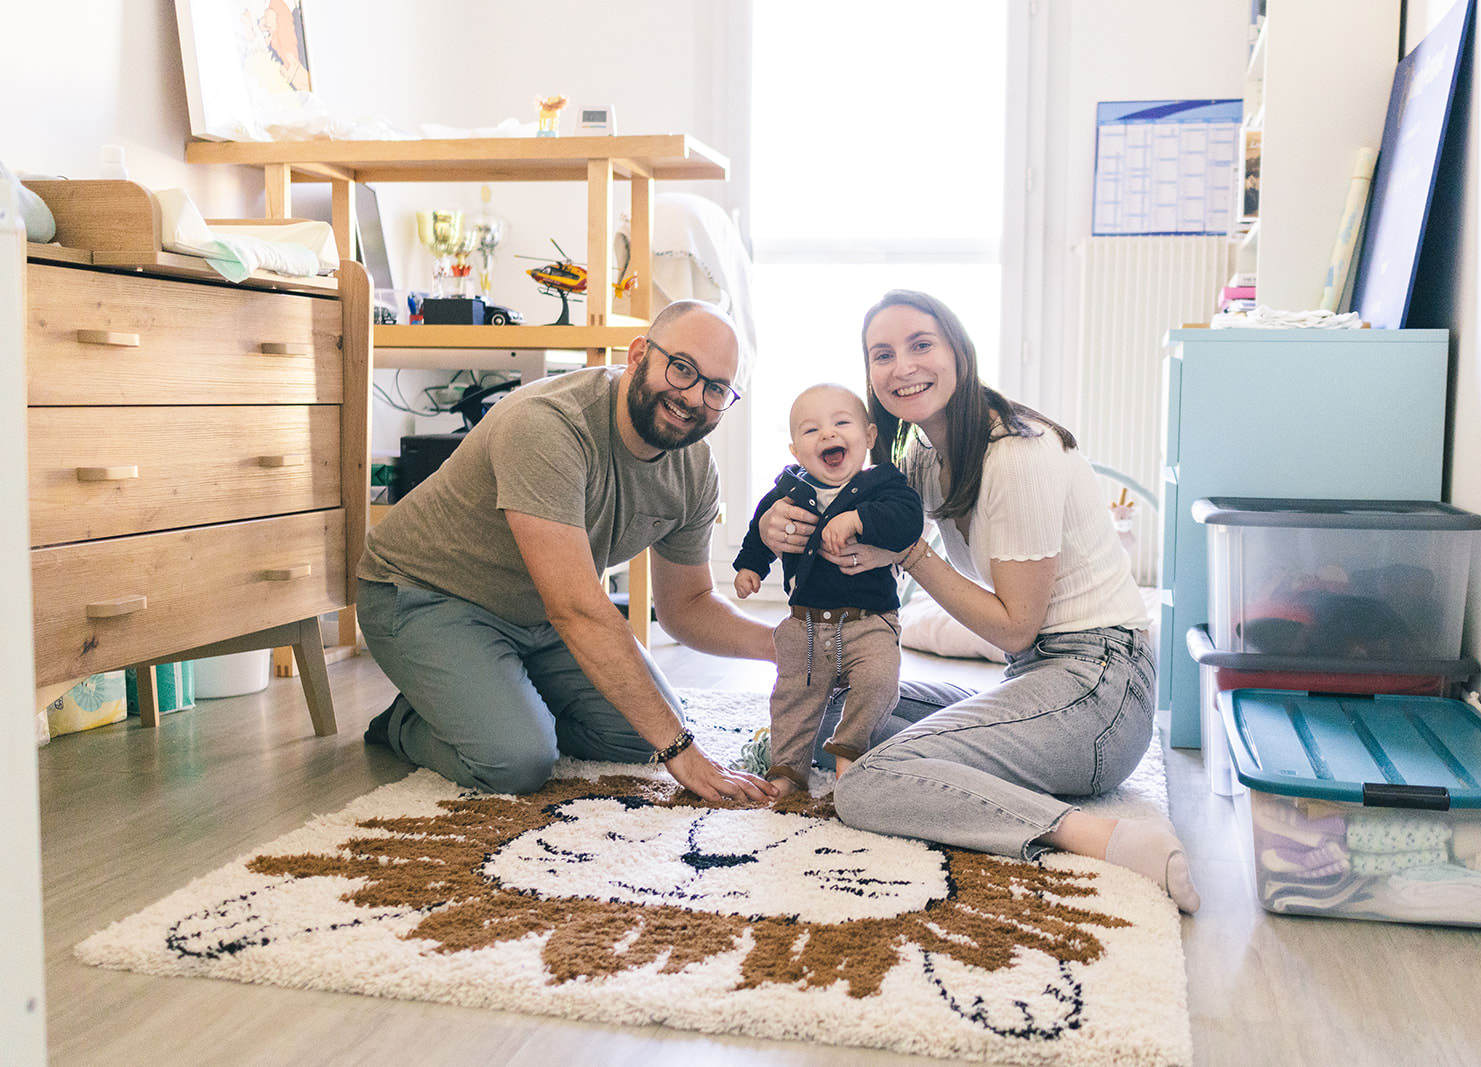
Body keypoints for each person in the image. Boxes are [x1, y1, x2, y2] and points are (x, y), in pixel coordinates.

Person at [757, 290, 1199, 913]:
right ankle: (952, 764)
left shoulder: (1017, 453)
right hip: (1037, 680)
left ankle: (1106, 837)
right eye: (882, 354)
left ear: (958, 351)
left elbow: (1015, 629)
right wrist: (781, 525)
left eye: (921, 345)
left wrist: (908, 553)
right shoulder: (922, 455)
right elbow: (851, 522)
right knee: (834, 712)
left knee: (866, 784)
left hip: (1100, 691)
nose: (902, 366)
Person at [358, 300, 778, 805]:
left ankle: (493, 696)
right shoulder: (548, 425)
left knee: (634, 736)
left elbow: (686, 606)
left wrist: (787, 646)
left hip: (539, 613)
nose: (693, 397)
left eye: (716, 388)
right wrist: (682, 752)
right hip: (424, 595)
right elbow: (577, 608)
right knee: (517, 761)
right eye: (682, 368)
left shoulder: (694, 468)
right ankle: (408, 720)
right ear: (639, 353)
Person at [732, 384, 923, 796]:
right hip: (806, 624)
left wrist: (857, 519)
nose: (827, 434)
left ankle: (849, 751)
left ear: (869, 437)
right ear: (796, 451)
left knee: (878, 681)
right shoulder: (789, 491)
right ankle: (787, 770)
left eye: (841, 423)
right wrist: (750, 565)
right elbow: (760, 527)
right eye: (811, 429)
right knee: (793, 698)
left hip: (869, 622)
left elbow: (907, 521)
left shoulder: (883, 486)